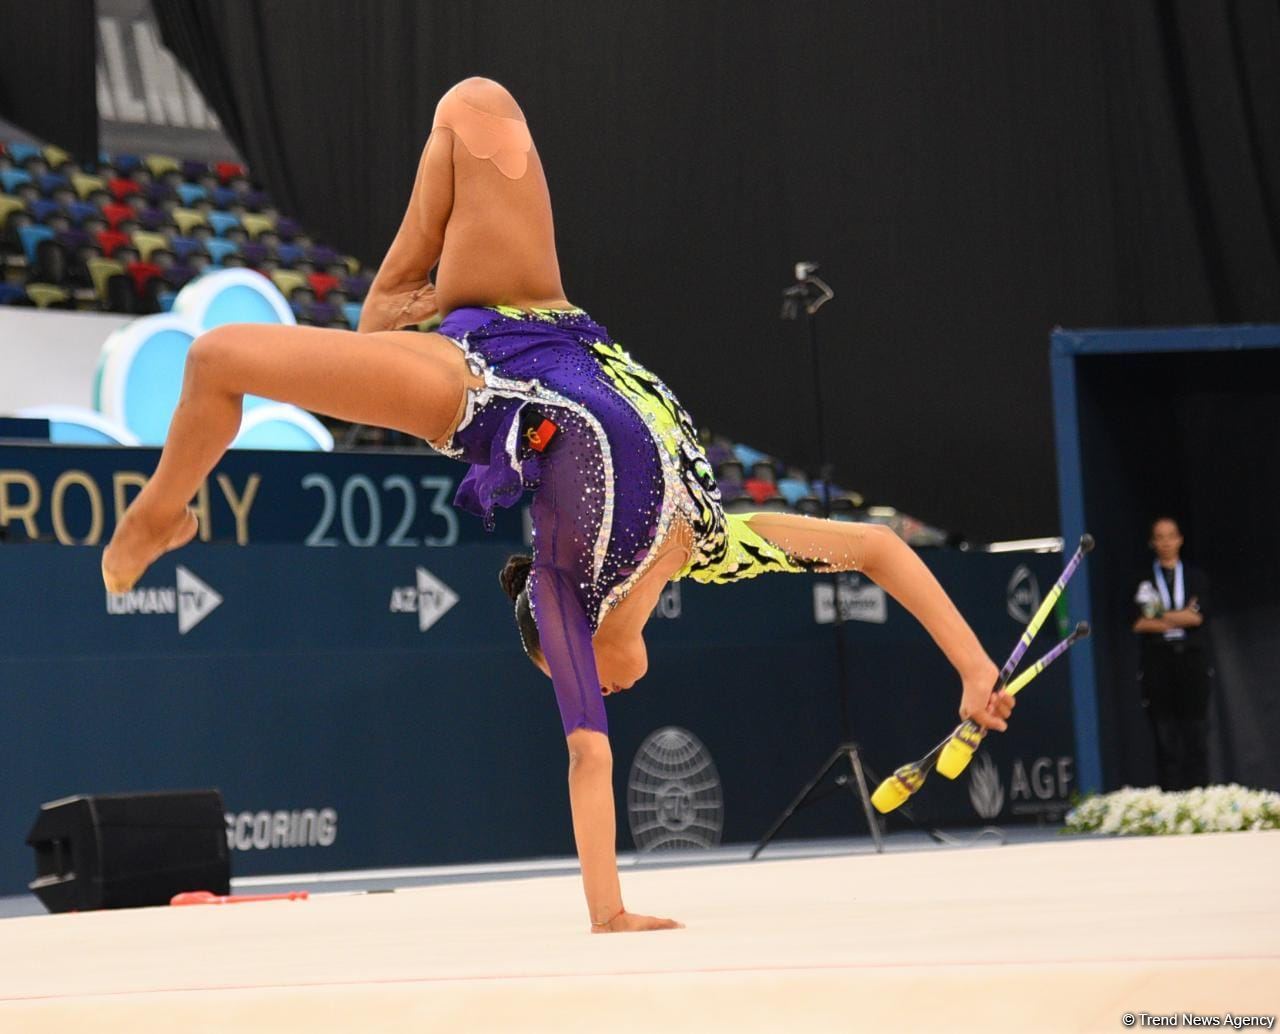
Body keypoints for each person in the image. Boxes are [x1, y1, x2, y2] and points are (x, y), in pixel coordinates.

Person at [102, 77, 1011, 933]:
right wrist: (973, 670)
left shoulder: (561, 591)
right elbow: (876, 551)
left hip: (476, 391)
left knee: (251, 330)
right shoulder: (719, 544)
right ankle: (331, 364)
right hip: (544, 314)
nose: (599, 690)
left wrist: (604, 908)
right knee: (479, 107)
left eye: (568, 676)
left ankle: (216, 465)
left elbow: (588, 756)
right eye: (587, 683)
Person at [1132, 516, 1211, 790]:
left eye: (1171, 536)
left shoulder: (1195, 577)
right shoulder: (1142, 579)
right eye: (1160, 537)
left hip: (1190, 660)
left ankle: (1200, 796)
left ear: (1180, 539)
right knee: (1164, 735)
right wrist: (1180, 615)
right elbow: (1140, 622)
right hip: (1158, 660)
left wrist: (1160, 615)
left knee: (1196, 732)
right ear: (1153, 543)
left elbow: (1196, 619)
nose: (1166, 542)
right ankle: (1170, 799)